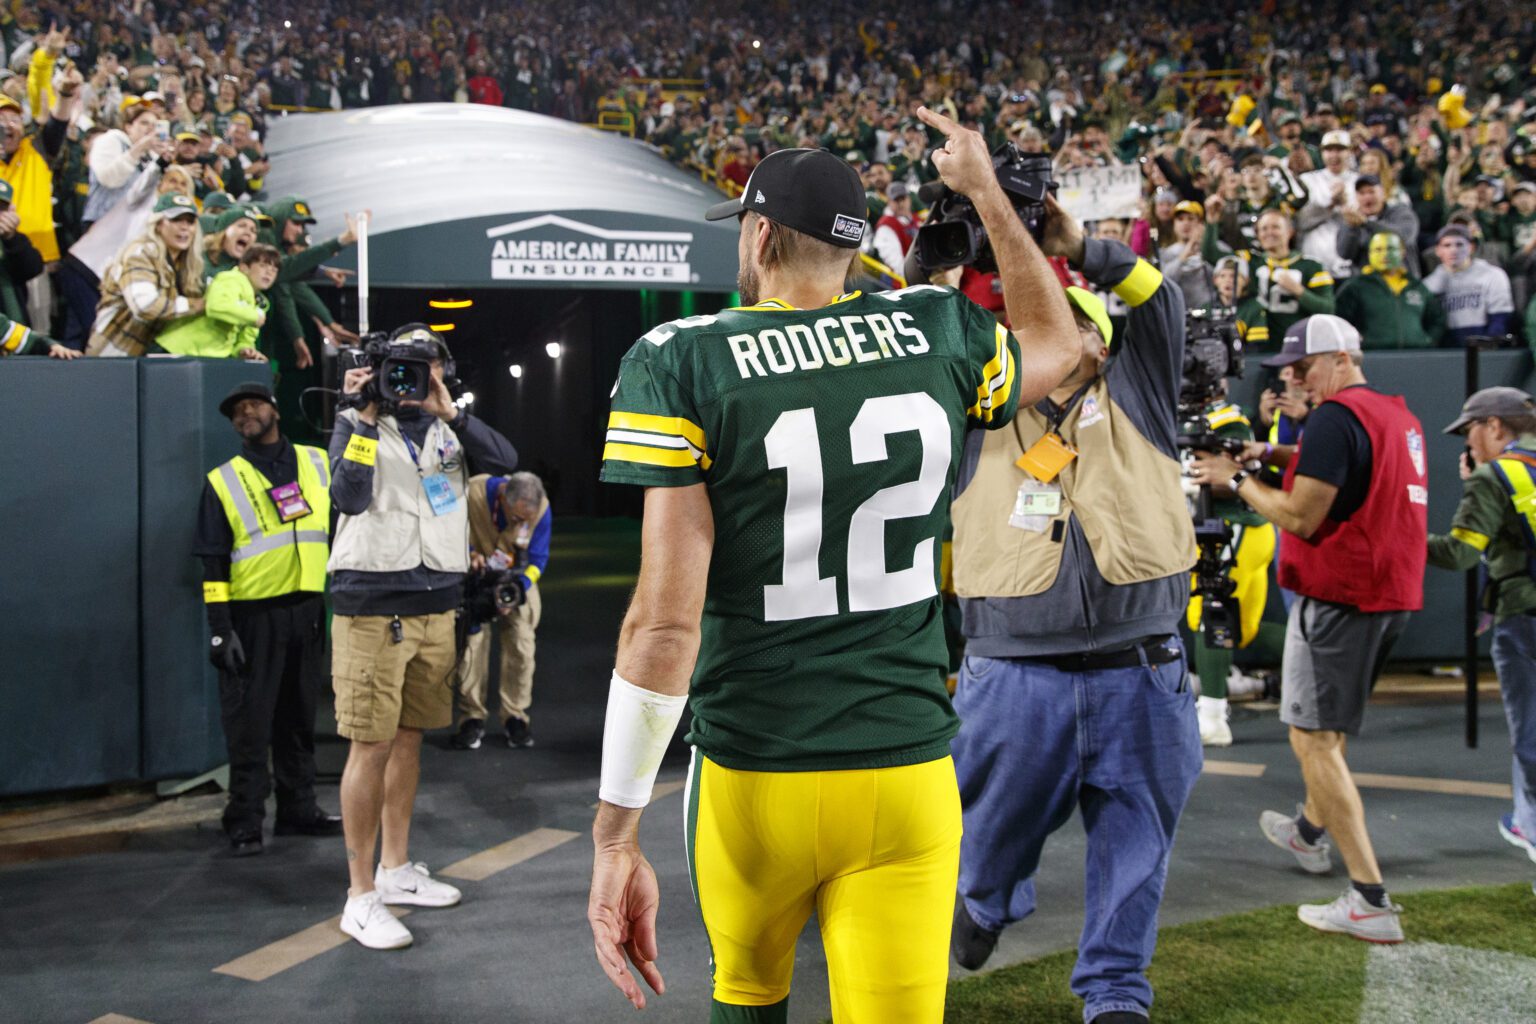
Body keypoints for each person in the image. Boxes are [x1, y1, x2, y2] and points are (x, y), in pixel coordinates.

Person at [586, 119, 1080, 1020]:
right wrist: (990, 199)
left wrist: (616, 835)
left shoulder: (681, 360)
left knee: (747, 999)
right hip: (908, 769)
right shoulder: (934, 326)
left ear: (760, 234)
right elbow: (1061, 342)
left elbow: (663, 626)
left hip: (758, 773)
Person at [945, 182, 1201, 1024]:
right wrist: (945, 263)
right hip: (1014, 677)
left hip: (1143, 670)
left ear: (1099, 338)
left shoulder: (1143, 400)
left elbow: (1157, 300)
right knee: (988, 837)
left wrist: (1082, 245)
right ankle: (984, 901)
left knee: (1137, 847)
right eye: (1037, 330)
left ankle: (1116, 994)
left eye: (1078, 323)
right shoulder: (969, 416)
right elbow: (910, 333)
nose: (1061, 338)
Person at [1190, 314, 1427, 945]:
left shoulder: (1335, 415)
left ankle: (1370, 897)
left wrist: (1236, 478)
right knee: (1330, 731)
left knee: (1313, 739)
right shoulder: (1394, 414)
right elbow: (1344, 460)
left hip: (1341, 593)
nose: (1295, 379)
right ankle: (1310, 833)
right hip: (1391, 591)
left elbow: (1297, 516)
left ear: (1342, 359)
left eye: (1304, 367)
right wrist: (1270, 453)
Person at [329, 326, 517, 950]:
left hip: (436, 603)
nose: (411, 382)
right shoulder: (358, 422)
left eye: (426, 369)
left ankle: (396, 870)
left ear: (443, 373)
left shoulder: (448, 430)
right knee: (370, 746)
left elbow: (506, 463)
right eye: (403, 370)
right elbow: (349, 497)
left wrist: (451, 412)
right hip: (373, 603)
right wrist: (360, 417)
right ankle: (359, 897)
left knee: (409, 739)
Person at [194, 381, 340, 855]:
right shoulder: (224, 480)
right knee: (250, 725)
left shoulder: (316, 462)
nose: (244, 415)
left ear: (274, 410)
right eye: (236, 411)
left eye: (252, 405)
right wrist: (221, 631)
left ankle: (298, 810)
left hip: (307, 610)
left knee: (298, 718)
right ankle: (245, 820)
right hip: (253, 618)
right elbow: (212, 561)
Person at [1428, 387, 1536, 870]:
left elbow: (1461, 553)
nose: (1467, 444)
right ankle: (1523, 821)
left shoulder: (1495, 477)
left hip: (1525, 620)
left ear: (1494, 427)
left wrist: (1400, 534)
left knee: (1531, 734)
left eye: (1470, 431)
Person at [452, 471, 551, 751]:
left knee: (522, 644)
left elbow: (539, 558)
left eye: (526, 521)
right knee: (471, 645)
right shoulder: (472, 492)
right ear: (504, 497)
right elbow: (449, 529)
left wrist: (520, 586)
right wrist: (469, 552)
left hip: (515, 579)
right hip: (475, 575)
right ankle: (471, 717)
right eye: (517, 518)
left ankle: (515, 716)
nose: (521, 524)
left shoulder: (541, 507)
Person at [86, 192, 206, 356]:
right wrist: (198, 305)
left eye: (190, 221)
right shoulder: (140, 253)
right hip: (113, 354)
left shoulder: (188, 264)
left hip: (148, 357)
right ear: (158, 224)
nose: (184, 227)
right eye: (176, 219)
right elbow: (145, 306)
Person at [1233, 208, 1335, 351]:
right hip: (1258, 345)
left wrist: (1299, 291)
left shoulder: (1311, 266)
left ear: (1290, 232)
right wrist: (1212, 223)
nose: (1269, 233)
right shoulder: (1250, 261)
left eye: (1275, 227)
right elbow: (1212, 254)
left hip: (1298, 345)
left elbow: (1328, 308)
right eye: (1263, 229)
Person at [155, 242, 279, 359]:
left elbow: (245, 339)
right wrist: (253, 316)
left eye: (274, 270)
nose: (269, 272)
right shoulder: (230, 279)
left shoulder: (260, 304)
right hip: (176, 349)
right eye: (263, 266)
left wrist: (245, 350)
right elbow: (216, 306)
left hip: (207, 358)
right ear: (244, 268)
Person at [1335, 232, 1444, 349]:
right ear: (1369, 254)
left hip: (1416, 356)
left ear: (1403, 252)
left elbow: (1437, 319)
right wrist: (1358, 342)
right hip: (1374, 357)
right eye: (1378, 249)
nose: (1385, 254)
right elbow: (1339, 320)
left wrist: (1428, 341)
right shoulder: (1355, 286)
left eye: (1390, 249)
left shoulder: (1417, 286)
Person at [1424, 224, 1515, 347]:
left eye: (1459, 244)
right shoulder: (1429, 284)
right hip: (1445, 351)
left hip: (1483, 348)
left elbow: (1501, 318)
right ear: (1438, 251)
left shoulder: (1493, 275)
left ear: (1471, 247)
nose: (1453, 250)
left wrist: (1490, 344)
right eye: (1447, 245)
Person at [1337, 174, 1422, 278]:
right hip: (1368, 285)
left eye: (1371, 191)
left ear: (1383, 194)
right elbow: (1344, 254)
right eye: (1362, 193)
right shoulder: (1353, 219)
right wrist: (1351, 227)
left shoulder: (1401, 212)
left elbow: (1402, 237)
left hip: (1402, 282)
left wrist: (1366, 223)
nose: (1367, 197)